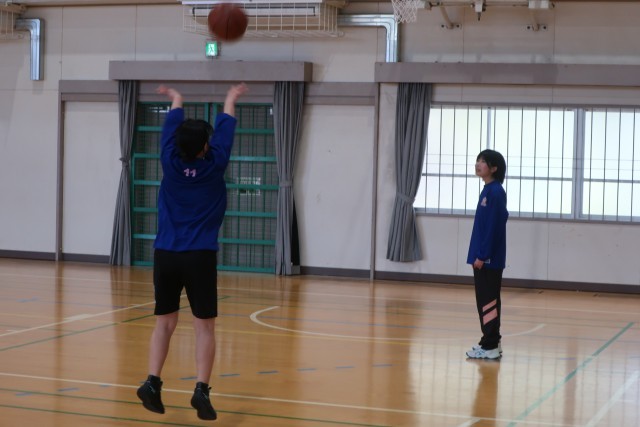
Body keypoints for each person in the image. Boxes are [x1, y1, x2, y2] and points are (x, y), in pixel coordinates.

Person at [137, 82, 248, 420]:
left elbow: (170, 129)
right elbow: (226, 129)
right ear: (205, 147)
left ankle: (152, 382)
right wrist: (230, 98)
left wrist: (176, 99)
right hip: (199, 256)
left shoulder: (169, 162)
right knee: (204, 328)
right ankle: (201, 390)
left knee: (164, 323)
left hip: (166, 254)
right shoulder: (215, 165)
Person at [465, 149, 508, 360]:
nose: (478, 164)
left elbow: (493, 227)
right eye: (477, 160)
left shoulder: (495, 192)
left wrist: (483, 255)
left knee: (488, 301)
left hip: (488, 259)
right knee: (486, 301)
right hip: (483, 256)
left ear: (494, 168)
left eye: (483, 161)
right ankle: (491, 342)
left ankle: (490, 345)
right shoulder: (488, 190)